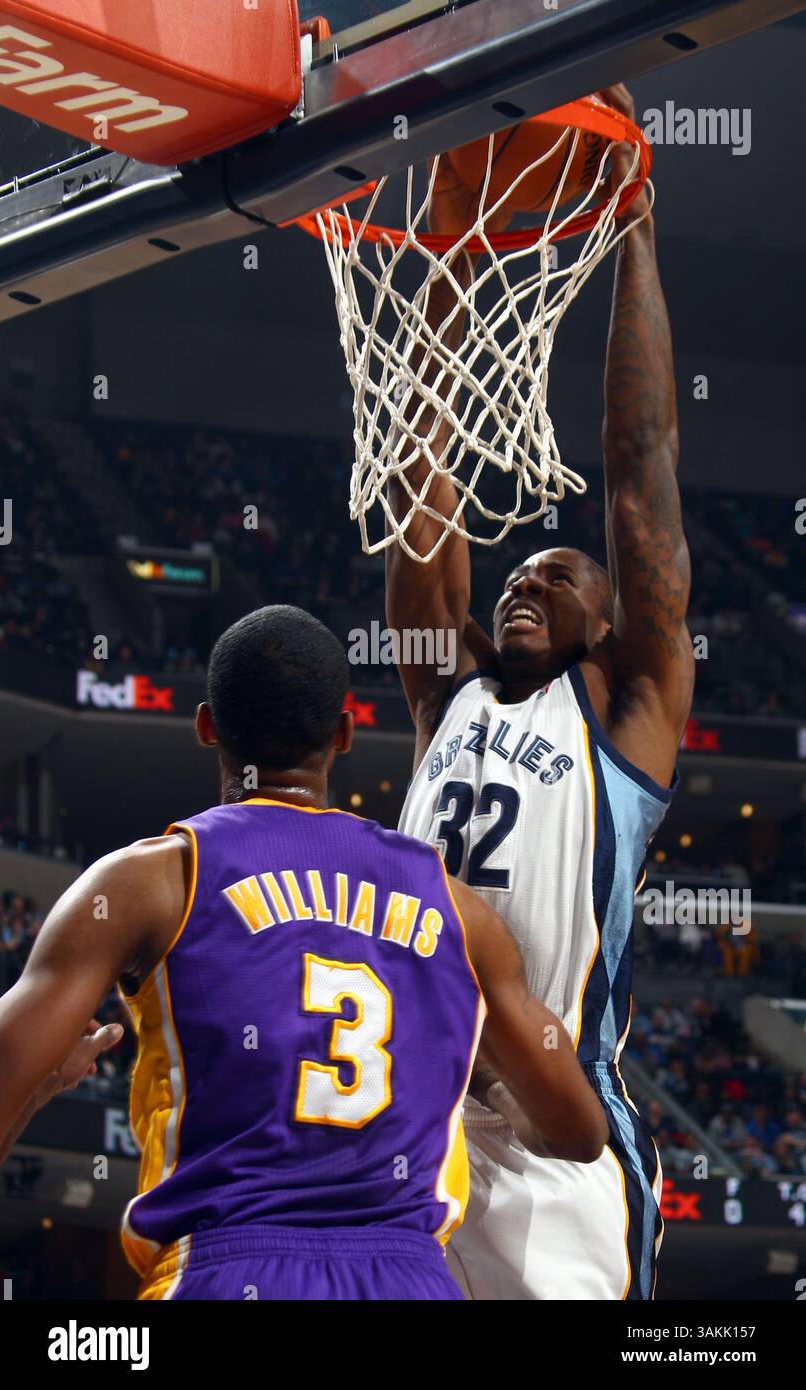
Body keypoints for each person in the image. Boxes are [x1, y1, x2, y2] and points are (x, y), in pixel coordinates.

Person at [0, 605, 606, 1301]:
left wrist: (39, 1086)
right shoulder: (455, 906)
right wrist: (480, 1076)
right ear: (344, 733)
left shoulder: (147, 882)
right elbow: (579, 1131)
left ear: (206, 727)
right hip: (410, 1279)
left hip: (228, 1268)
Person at [388, 85, 694, 1299]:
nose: (522, 579)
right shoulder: (444, 693)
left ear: (614, 620)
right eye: (513, 571)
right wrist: (455, 244)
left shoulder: (626, 712)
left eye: (556, 575)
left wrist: (634, 230)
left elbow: (640, 466)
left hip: (563, 1162)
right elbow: (423, 476)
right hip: (423, 1138)